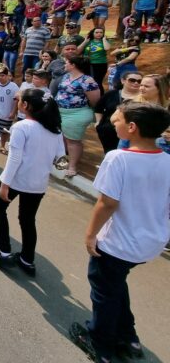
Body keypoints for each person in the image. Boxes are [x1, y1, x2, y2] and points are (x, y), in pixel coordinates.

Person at [70, 103, 170, 363]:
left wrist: (91, 234)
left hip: (118, 242)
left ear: (132, 128)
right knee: (115, 284)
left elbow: (107, 202)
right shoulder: (167, 160)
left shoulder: (119, 158)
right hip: (150, 242)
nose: (113, 125)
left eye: (118, 121)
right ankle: (129, 337)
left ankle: (100, 343)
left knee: (103, 291)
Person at [0, 89, 65, 276]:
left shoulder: (22, 127)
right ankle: (27, 259)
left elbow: (14, 159)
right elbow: (60, 157)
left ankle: (4, 252)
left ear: (26, 106)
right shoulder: (55, 129)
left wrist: (5, 183)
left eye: (19, 100)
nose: (17, 101)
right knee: (28, 219)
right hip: (38, 183)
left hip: (16, 179)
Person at [55, 55, 101, 177]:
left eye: (67, 62)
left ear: (73, 65)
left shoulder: (87, 80)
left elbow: (95, 100)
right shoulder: (66, 76)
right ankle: (64, 160)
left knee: (73, 141)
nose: (65, 64)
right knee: (64, 138)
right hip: (61, 112)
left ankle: (72, 166)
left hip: (76, 114)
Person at [93, 71, 141, 154]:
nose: (136, 83)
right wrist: (98, 122)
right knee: (109, 153)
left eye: (139, 81)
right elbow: (98, 108)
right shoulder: (111, 94)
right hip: (108, 131)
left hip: (133, 134)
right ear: (123, 81)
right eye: (132, 80)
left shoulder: (143, 98)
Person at [78, 27, 110, 94]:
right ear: (93, 33)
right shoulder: (88, 41)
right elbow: (78, 51)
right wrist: (85, 41)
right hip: (87, 64)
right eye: (97, 32)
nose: (99, 34)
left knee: (97, 81)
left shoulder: (104, 41)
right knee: (87, 80)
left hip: (100, 64)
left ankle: (100, 97)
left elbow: (107, 48)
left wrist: (104, 39)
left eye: (101, 32)